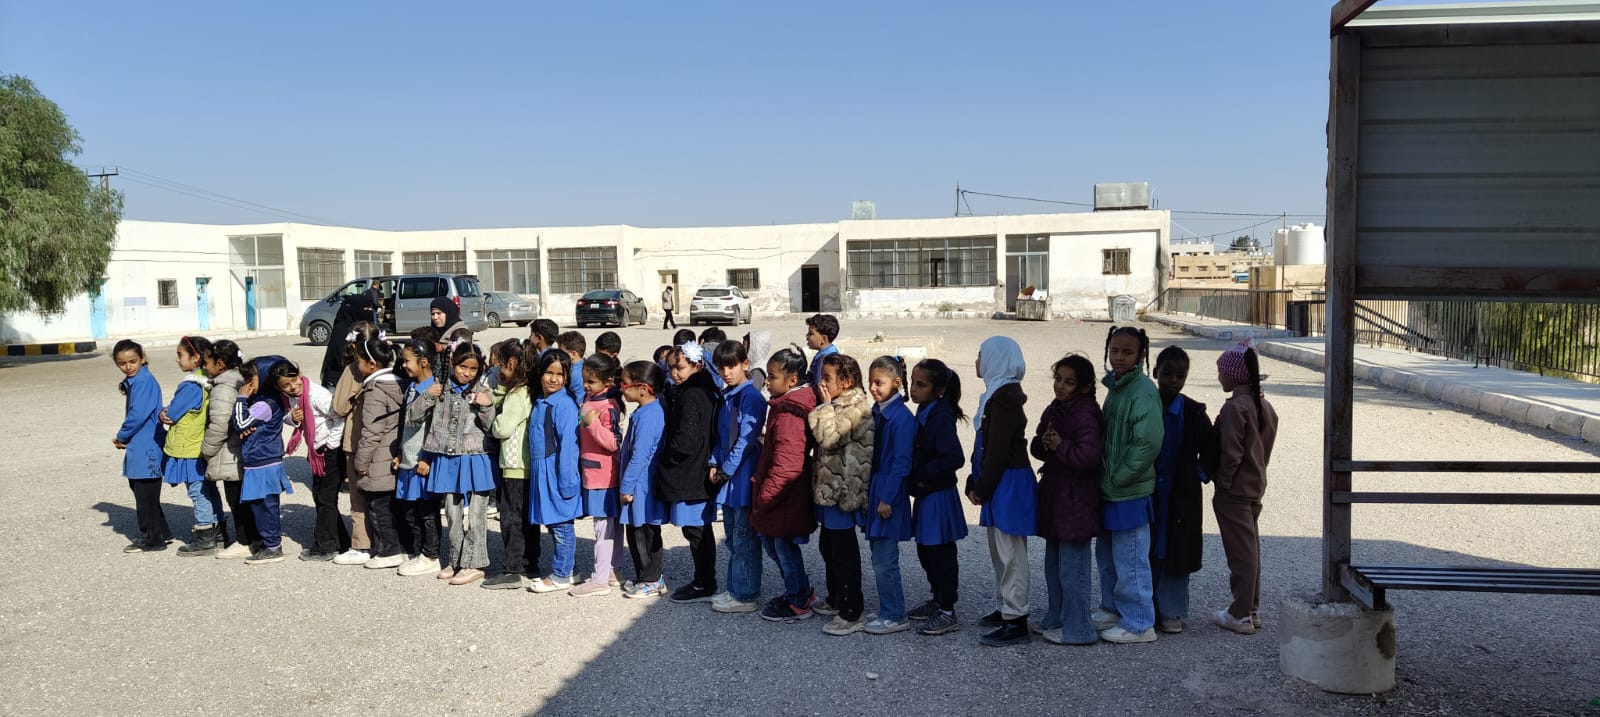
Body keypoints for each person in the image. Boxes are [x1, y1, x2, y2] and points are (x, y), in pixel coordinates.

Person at [1094, 326, 1163, 644]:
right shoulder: (1117, 386)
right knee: (1107, 556)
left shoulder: (1142, 391)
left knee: (1131, 559)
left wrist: (1119, 477)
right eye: (1115, 350)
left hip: (1128, 490)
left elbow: (1147, 443)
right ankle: (1112, 609)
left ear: (1141, 355)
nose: (1119, 357)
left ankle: (1139, 623)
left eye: (1127, 352)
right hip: (1111, 488)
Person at [967, 336, 1035, 647]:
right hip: (999, 481)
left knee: (1011, 554)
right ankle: (1006, 606)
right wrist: (975, 481)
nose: (977, 361)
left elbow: (998, 452)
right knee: (1000, 551)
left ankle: (1016, 619)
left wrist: (982, 487)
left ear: (996, 360)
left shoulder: (1005, 400)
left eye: (981, 355)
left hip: (1007, 482)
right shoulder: (995, 395)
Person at [1032, 354, 1104, 646]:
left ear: (1084, 387)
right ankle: (1057, 616)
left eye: (1069, 382)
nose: (1060, 386)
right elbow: (1038, 444)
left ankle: (1079, 627)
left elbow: (1089, 457)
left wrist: (1060, 446)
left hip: (1076, 500)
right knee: (1053, 565)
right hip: (1056, 496)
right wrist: (1044, 443)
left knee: (1073, 569)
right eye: (1058, 379)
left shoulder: (1086, 414)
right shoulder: (1056, 408)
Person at [1211, 338, 1279, 636]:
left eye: (1221, 372)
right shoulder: (1264, 406)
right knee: (1251, 549)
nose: (1219, 377)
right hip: (1254, 486)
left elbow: (1231, 453)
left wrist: (1223, 482)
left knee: (1241, 554)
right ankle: (1251, 608)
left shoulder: (1235, 408)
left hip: (1234, 491)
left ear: (1233, 375)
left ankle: (1239, 614)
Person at [416, 342, 498, 585]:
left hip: (476, 456)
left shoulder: (484, 390)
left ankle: (475, 563)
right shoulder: (438, 387)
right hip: (447, 456)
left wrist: (486, 406)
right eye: (463, 367)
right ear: (453, 364)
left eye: (473, 369)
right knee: (452, 512)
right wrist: (427, 395)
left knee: (477, 514)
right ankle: (455, 559)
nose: (467, 373)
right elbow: (413, 417)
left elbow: (491, 428)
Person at [1150, 346, 1219, 634]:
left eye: (1180, 376)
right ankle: (1145, 608)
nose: (1173, 381)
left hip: (1180, 494)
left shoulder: (1193, 412)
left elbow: (1212, 447)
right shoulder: (1145, 405)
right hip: (1148, 489)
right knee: (1146, 547)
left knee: (1176, 550)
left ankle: (1172, 611)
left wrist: (1198, 474)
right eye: (1167, 374)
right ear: (1156, 372)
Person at [751, 346, 819, 622]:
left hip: (784, 494)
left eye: (772, 377)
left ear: (792, 380)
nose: (767, 382)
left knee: (782, 547)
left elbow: (787, 465)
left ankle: (797, 599)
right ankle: (800, 590)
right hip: (781, 494)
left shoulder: (791, 414)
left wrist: (766, 497)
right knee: (775, 543)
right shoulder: (783, 405)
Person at [809, 352, 873, 636]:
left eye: (828, 378)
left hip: (843, 490)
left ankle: (852, 611)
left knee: (843, 552)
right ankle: (836, 598)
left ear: (846, 381)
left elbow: (829, 437)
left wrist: (824, 407)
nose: (822, 383)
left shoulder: (856, 407)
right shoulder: (838, 403)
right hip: (830, 489)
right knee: (828, 546)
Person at [905, 358, 968, 636]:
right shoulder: (925, 409)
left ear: (939, 389)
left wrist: (923, 473)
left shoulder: (941, 416)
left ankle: (947, 610)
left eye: (921, 385)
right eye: (913, 382)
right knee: (926, 550)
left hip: (937, 494)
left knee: (940, 552)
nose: (914, 389)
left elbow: (954, 457)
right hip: (926, 492)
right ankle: (937, 599)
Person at [708, 341, 769, 614]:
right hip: (728, 478)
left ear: (745, 364)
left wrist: (726, 469)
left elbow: (746, 439)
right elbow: (721, 436)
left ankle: (745, 594)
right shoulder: (728, 395)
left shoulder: (751, 397)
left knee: (744, 539)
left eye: (731, 366)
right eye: (721, 368)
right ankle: (735, 587)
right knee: (733, 537)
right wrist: (713, 462)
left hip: (742, 476)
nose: (726, 372)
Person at [659, 342, 721, 603]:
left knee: (697, 530)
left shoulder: (693, 393)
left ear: (697, 366)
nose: (674, 373)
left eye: (680, 367)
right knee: (697, 529)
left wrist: (668, 453)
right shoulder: (701, 388)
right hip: (695, 468)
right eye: (671, 367)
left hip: (691, 472)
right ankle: (703, 578)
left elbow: (687, 439)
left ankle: (704, 581)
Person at [272, 358, 349, 562]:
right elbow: (288, 416)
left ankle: (326, 546)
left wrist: (331, 446)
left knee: (325, 498)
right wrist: (292, 418)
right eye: (286, 385)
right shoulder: (290, 397)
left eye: (294, 380)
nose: (293, 386)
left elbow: (339, 417)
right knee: (321, 496)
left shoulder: (316, 394)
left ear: (299, 374)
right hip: (316, 450)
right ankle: (340, 542)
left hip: (328, 450)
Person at [863, 356, 916, 635]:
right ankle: (887, 608)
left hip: (888, 493)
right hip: (877, 488)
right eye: (870, 382)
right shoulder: (879, 411)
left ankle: (895, 614)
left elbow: (901, 463)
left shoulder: (901, 418)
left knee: (885, 559)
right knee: (878, 555)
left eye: (878, 383)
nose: (872, 388)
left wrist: (886, 498)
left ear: (896, 383)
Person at [160, 336, 223, 556]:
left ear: (196, 357)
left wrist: (163, 412)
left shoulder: (191, 385)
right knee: (209, 489)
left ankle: (205, 535)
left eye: (180, 355)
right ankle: (219, 532)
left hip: (189, 447)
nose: (177, 360)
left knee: (197, 491)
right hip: (202, 444)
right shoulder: (209, 380)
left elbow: (172, 414)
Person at [348, 337, 407, 571]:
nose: (357, 365)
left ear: (372, 364)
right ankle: (402, 547)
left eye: (359, 361)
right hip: (395, 453)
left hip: (379, 457)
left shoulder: (375, 389)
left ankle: (389, 551)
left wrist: (361, 462)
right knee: (394, 506)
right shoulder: (400, 382)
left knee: (379, 507)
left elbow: (372, 431)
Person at [571, 353, 628, 597]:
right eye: (584, 380)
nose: (586, 385)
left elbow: (614, 442)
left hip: (603, 475)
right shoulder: (593, 398)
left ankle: (600, 578)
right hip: (595, 472)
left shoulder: (607, 406)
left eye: (591, 381)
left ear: (607, 381)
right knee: (609, 525)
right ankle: (613, 571)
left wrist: (591, 424)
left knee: (603, 527)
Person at [527, 349, 583, 593]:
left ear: (567, 377)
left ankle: (561, 574)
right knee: (552, 522)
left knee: (561, 524)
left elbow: (569, 446)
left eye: (559, 374)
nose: (553, 379)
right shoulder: (542, 400)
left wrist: (567, 481)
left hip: (557, 470)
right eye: (549, 372)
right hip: (542, 470)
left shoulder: (564, 405)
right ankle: (568, 569)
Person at [231, 356, 296, 565]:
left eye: (251, 378)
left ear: (266, 377)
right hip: (259, 460)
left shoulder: (266, 404)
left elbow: (240, 423)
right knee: (259, 506)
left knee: (266, 506)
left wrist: (241, 399)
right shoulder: (262, 401)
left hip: (264, 462)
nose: (247, 383)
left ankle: (273, 546)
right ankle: (269, 544)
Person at [485, 341, 540, 589]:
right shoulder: (527, 390)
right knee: (527, 519)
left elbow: (503, 428)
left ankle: (512, 568)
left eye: (501, 366)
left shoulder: (517, 395)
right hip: (526, 465)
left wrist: (492, 421)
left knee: (511, 519)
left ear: (510, 364)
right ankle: (530, 563)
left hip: (514, 464)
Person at [331, 322, 384, 565]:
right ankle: (389, 543)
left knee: (359, 495)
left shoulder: (353, 370)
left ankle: (362, 544)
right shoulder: (391, 363)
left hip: (357, 439)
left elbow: (339, 407)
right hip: (387, 441)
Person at [112, 339, 172, 552]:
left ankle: (152, 539)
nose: (128, 367)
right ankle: (161, 532)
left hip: (146, 445)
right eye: (122, 363)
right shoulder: (136, 380)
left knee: (145, 493)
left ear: (142, 358)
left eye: (132, 361)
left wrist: (122, 435)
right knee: (144, 492)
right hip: (141, 444)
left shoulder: (143, 381)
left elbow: (138, 414)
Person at [618, 360, 670, 598]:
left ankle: (652, 578)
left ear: (643, 388)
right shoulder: (646, 411)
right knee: (636, 530)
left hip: (642, 484)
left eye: (625, 383)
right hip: (640, 482)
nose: (621, 388)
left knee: (644, 532)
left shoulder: (650, 415)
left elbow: (640, 455)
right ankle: (644, 576)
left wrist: (627, 486)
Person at [394, 340, 444, 578]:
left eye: (407, 360)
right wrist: (399, 452)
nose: (404, 365)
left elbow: (433, 427)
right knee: (410, 511)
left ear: (424, 362)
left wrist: (428, 457)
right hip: (408, 457)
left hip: (422, 460)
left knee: (427, 512)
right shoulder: (413, 387)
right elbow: (405, 424)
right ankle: (419, 551)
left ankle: (431, 555)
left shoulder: (435, 389)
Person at [200, 340, 251, 558]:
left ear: (220, 364)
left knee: (236, 499)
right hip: (242, 450)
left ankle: (244, 541)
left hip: (230, 453)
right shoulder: (240, 379)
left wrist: (206, 450)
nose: (204, 367)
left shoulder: (223, 388)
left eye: (206, 362)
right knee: (245, 498)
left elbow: (220, 424)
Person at [320, 291, 377, 388]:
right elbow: (340, 359)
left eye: (370, 309)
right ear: (354, 309)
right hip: (339, 383)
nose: (369, 312)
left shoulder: (364, 329)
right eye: (365, 309)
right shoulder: (342, 331)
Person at [804, 314, 840, 393]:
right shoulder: (829, 352)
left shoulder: (825, 359)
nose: (807, 336)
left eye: (811, 334)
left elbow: (818, 385)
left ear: (823, 338)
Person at [559, 331, 588, 403]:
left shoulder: (574, 373)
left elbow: (577, 401)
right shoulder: (585, 365)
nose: (559, 355)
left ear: (573, 354)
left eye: (561, 352)